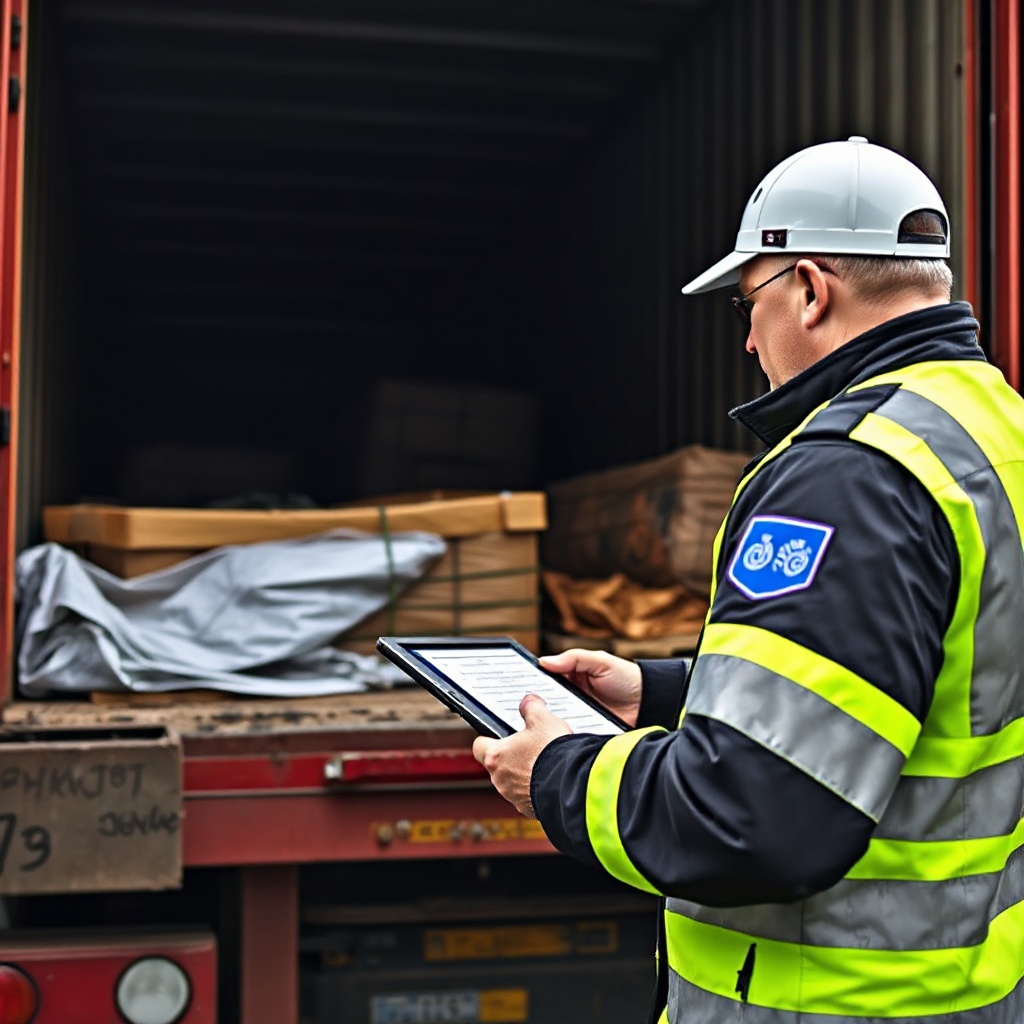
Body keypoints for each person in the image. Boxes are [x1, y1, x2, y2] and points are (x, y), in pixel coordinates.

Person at [472, 136, 1024, 1022]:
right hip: (964, 991)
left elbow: (751, 820)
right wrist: (664, 693)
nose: (748, 341)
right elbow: (935, 681)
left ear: (809, 289)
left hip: (831, 1003)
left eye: (747, 305)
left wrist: (559, 774)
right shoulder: (993, 431)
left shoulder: (847, 473)